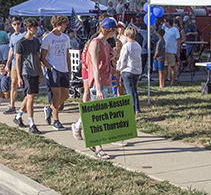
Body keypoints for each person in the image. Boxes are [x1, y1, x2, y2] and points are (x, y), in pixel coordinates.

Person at [72, 15, 117, 159]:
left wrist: (112, 56)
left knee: (104, 116)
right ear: (110, 30)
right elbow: (95, 68)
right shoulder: (95, 43)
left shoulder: (106, 44)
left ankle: (91, 138)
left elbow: (103, 63)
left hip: (107, 81)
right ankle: (98, 147)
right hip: (98, 83)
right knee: (99, 117)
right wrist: (97, 88)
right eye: (115, 30)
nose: (116, 32)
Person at [14, 18, 43, 135]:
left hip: (35, 71)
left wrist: (40, 72)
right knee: (31, 97)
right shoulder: (20, 42)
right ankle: (32, 124)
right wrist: (19, 76)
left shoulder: (36, 41)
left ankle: (18, 116)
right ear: (29, 28)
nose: (37, 29)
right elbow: (18, 60)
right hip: (26, 72)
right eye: (35, 27)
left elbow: (38, 56)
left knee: (28, 95)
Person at [41, 15, 70, 130]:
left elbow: (67, 55)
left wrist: (70, 69)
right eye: (64, 25)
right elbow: (42, 57)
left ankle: (50, 108)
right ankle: (56, 121)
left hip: (64, 69)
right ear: (57, 25)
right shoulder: (48, 38)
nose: (65, 27)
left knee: (66, 95)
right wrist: (51, 68)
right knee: (56, 95)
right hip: (54, 69)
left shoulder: (66, 37)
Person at [118, 25, 143, 114]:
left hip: (128, 70)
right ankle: (137, 108)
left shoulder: (126, 46)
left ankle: (131, 109)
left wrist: (119, 68)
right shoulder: (138, 45)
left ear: (127, 35)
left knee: (129, 91)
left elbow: (122, 59)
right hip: (136, 70)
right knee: (135, 90)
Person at [4, 17, 24, 114]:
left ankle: (26, 105)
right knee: (13, 84)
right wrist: (7, 64)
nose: (16, 26)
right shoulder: (12, 36)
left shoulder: (25, 34)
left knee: (25, 85)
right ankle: (12, 106)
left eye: (18, 23)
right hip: (15, 64)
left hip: (24, 63)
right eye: (14, 24)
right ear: (11, 25)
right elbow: (11, 50)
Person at [162, 16, 181, 86]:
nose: (164, 23)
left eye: (165, 22)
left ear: (168, 22)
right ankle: (163, 81)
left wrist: (178, 51)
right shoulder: (165, 29)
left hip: (172, 51)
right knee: (165, 66)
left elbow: (178, 40)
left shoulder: (175, 30)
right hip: (165, 50)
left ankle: (172, 81)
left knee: (172, 66)